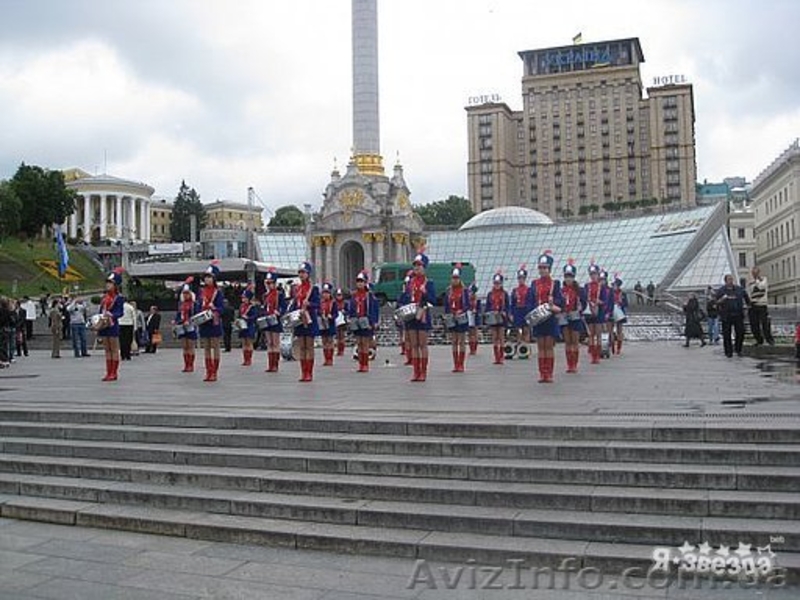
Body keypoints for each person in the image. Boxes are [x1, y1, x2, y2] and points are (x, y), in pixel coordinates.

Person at [531, 252, 563, 383]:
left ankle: (549, 373)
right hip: (538, 317)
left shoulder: (555, 283)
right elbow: (530, 300)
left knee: (548, 346)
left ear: (549, 269)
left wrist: (553, 305)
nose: (542, 270)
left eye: (545, 267)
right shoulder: (534, 284)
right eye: (540, 267)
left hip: (550, 317)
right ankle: (542, 373)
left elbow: (560, 301)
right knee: (540, 346)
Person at [404, 252, 436, 382]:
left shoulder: (429, 282)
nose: (417, 268)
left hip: (423, 314)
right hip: (411, 314)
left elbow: (433, 300)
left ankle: (423, 372)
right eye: (415, 265)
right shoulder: (410, 283)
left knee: (422, 344)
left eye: (420, 265)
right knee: (414, 344)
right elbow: (406, 298)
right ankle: (415, 372)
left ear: (424, 267)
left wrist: (425, 293)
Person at [288, 261, 320, 382]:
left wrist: (310, 304)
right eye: (300, 272)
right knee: (301, 346)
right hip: (300, 319)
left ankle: (309, 373)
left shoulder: (314, 288)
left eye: (303, 272)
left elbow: (318, 304)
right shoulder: (297, 288)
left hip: (309, 319)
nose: (301, 275)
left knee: (309, 346)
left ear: (308, 274)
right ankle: (303, 372)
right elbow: (295, 303)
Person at [196, 264, 225, 382]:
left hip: (214, 321)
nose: (207, 279)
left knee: (215, 346)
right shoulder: (201, 292)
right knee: (206, 347)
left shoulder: (218, 292)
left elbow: (222, 308)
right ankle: (208, 371)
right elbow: (198, 305)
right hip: (204, 321)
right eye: (206, 277)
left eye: (209, 277)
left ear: (214, 279)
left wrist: (215, 309)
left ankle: (214, 372)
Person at [97, 270, 125, 381]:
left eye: (110, 283)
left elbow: (120, 312)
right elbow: (101, 310)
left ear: (115, 285)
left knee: (114, 349)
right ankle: (108, 372)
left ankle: (114, 372)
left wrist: (112, 315)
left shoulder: (118, 298)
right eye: (107, 282)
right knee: (107, 350)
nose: (108, 285)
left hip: (112, 324)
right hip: (104, 324)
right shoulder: (104, 298)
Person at [348, 272, 379, 373]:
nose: (359, 283)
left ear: (366, 282)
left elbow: (374, 309)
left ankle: (365, 364)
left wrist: (374, 322)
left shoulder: (370, 296)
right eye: (358, 281)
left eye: (362, 281)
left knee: (365, 343)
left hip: (366, 320)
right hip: (356, 320)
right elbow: (351, 308)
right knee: (359, 342)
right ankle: (360, 363)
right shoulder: (354, 295)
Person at [715, 274, 750, 358]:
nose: (730, 281)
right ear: (725, 281)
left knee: (740, 332)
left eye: (731, 279)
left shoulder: (739, 289)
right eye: (729, 280)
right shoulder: (721, 291)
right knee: (727, 334)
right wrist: (721, 300)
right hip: (726, 315)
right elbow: (716, 302)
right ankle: (728, 352)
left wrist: (747, 307)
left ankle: (738, 349)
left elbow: (746, 298)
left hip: (738, 314)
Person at [560, 261, 585, 374]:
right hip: (564, 316)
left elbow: (583, 303)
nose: (568, 279)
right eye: (566, 276)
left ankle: (574, 364)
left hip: (575, 316)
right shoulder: (561, 291)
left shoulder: (579, 290)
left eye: (570, 276)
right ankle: (569, 364)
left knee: (575, 341)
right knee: (567, 341)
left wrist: (579, 310)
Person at [444, 265, 470, 373]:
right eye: (453, 278)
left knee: (462, 341)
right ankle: (455, 364)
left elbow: (467, 304)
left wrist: (461, 310)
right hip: (452, 317)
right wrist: (447, 314)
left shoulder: (464, 291)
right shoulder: (448, 291)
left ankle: (461, 364)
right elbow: (446, 305)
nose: (455, 280)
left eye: (457, 278)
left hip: (461, 317)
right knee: (454, 341)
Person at [584, 263, 609, 365]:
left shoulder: (602, 287)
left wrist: (599, 302)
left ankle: (597, 355)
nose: (593, 276)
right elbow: (584, 298)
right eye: (591, 274)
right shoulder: (587, 286)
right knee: (591, 334)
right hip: (589, 311)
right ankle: (592, 355)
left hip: (599, 312)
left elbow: (605, 301)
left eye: (595, 274)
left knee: (598, 335)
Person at [262, 270, 286, 373]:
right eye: (267, 283)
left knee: (275, 342)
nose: (269, 285)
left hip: (275, 319)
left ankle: (275, 365)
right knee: (269, 342)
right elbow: (265, 307)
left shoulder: (279, 294)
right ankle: (270, 364)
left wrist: (279, 312)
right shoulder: (265, 295)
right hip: (267, 319)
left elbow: (283, 306)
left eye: (271, 282)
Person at [484, 273, 509, 365]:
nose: (496, 285)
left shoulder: (504, 294)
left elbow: (507, 306)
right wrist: (489, 312)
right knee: (494, 337)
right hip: (493, 317)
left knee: (501, 337)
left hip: (501, 317)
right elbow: (487, 306)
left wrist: (505, 312)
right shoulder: (490, 294)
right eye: (495, 283)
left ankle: (501, 357)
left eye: (498, 283)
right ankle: (496, 357)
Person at [174, 283, 198, 372]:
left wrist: (190, 321)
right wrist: (176, 321)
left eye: (187, 293)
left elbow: (196, 315)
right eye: (184, 293)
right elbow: (178, 315)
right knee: (184, 346)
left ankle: (191, 365)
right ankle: (186, 364)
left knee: (191, 346)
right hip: (182, 326)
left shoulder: (194, 304)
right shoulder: (181, 304)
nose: (186, 295)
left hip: (191, 326)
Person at [748, 267, 774, 346]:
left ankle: (769, 339)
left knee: (765, 323)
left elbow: (761, 287)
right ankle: (759, 339)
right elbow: (749, 292)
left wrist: (757, 280)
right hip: (753, 305)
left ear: (759, 273)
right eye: (753, 273)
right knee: (754, 324)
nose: (754, 275)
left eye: (756, 273)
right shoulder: (751, 282)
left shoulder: (764, 279)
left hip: (762, 304)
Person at [510, 265, 535, 348]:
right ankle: (519, 344)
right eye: (519, 278)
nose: (521, 280)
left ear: (525, 279)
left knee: (526, 329)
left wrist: (530, 312)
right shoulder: (515, 290)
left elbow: (531, 301)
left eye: (522, 278)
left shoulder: (529, 289)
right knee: (518, 329)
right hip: (517, 310)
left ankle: (526, 346)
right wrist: (511, 313)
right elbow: (512, 303)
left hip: (526, 310)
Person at [318, 283, 339, 367]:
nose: (325, 294)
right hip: (322, 323)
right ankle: (326, 358)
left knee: (330, 341)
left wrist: (332, 316)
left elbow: (336, 313)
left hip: (330, 323)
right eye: (324, 293)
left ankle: (330, 359)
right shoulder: (320, 303)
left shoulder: (333, 303)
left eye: (327, 293)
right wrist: (320, 314)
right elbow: (317, 311)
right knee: (324, 341)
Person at [238, 284, 257, 367]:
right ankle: (245, 359)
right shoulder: (241, 306)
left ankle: (249, 359)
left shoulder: (252, 307)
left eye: (245, 297)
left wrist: (248, 318)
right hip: (242, 325)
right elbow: (240, 314)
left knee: (249, 342)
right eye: (243, 297)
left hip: (249, 325)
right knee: (244, 342)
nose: (243, 299)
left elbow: (255, 316)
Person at [610, 276, 628, 355]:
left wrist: (620, 303)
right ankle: (612, 345)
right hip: (611, 312)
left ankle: (619, 348)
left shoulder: (622, 293)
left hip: (620, 313)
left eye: (615, 285)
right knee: (610, 329)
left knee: (619, 330)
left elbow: (626, 303)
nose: (614, 286)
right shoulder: (610, 293)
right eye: (613, 285)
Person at [467, 283, 481, 356]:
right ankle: (471, 348)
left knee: (475, 333)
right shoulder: (468, 300)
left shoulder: (477, 300)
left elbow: (479, 309)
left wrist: (476, 311)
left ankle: (474, 349)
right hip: (469, 316)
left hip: (475, 317)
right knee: (470, 334)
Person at [334, 288, 348, 357]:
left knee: (342, 336)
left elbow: (348, 311)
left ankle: (342, 350)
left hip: (342, 321)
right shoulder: (334, 303)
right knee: (337, 337)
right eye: (338, 295)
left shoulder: (345, 303)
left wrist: (344, 312)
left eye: (340, 295)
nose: (339, 297)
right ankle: (338, 350)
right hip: (336, 321)